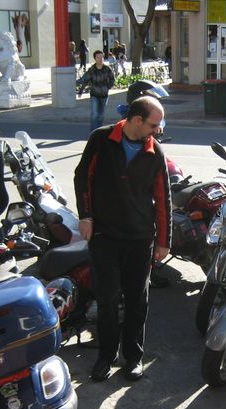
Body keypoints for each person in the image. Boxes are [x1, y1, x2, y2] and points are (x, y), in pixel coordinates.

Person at [73, 96, 171, 382]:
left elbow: (163, 198)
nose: (158, 130)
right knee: (107, 300)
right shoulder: (102, 139)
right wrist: (85, 216)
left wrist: (164, 241)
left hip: (140, 238)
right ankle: (106, 355)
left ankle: (134, 357)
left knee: (137, 301)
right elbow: (82, 177)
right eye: (154, 125)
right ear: (137, 120)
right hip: (104, 236)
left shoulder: (155, 152)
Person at [78, 50, 116, 133]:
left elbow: (112, 79)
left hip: (104, 95)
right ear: (95, 59)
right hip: (94, 95)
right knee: (94, 114)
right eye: (98, 57)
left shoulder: (107, 69)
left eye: (102, 57)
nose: (100, 59)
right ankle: (93, 132)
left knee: (101, 115)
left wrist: (107, 87)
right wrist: (81, 91)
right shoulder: (92, 69)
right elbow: (85, 80)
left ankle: (99, 131)